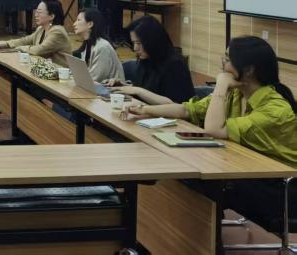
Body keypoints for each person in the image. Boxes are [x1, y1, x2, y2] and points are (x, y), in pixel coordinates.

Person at [123, 36, 297, 224]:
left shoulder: (275, 109)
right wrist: (144, 110)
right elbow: (187, 110)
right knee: (186, 172)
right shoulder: (236, 94)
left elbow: (214, 129)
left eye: (228, 59)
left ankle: (207, 236)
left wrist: (220, 85)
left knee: (207, 181)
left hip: (280, 186)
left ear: (249, 70)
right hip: (247, 171)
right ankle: (194, 234)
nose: (222, 64)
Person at [107, 16, 194, 104]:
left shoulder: (175, 65)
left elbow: (175, 105)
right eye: (134, 43)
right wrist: (124, 87)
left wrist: (137, 90)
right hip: (145, 109)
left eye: (139, 43)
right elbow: (148, 89)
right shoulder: (147, 59)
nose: (135, 48)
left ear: (153, 41)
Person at [4, 0, 72, 62]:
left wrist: (21, 48)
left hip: (60, 69)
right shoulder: (41, 29)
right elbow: (25, 40)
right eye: (36, 12)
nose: (36, 15)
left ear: (51, 16)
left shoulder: (58, 31)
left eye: (39, 12)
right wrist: (5, 44)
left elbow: (39, 50)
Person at [73, 7, 125, 83]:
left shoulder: (102, 47)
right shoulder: (88, 44)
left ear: (90, 24)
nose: (74, 24)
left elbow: (96, 78)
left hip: (111, 89)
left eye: (78, 20)